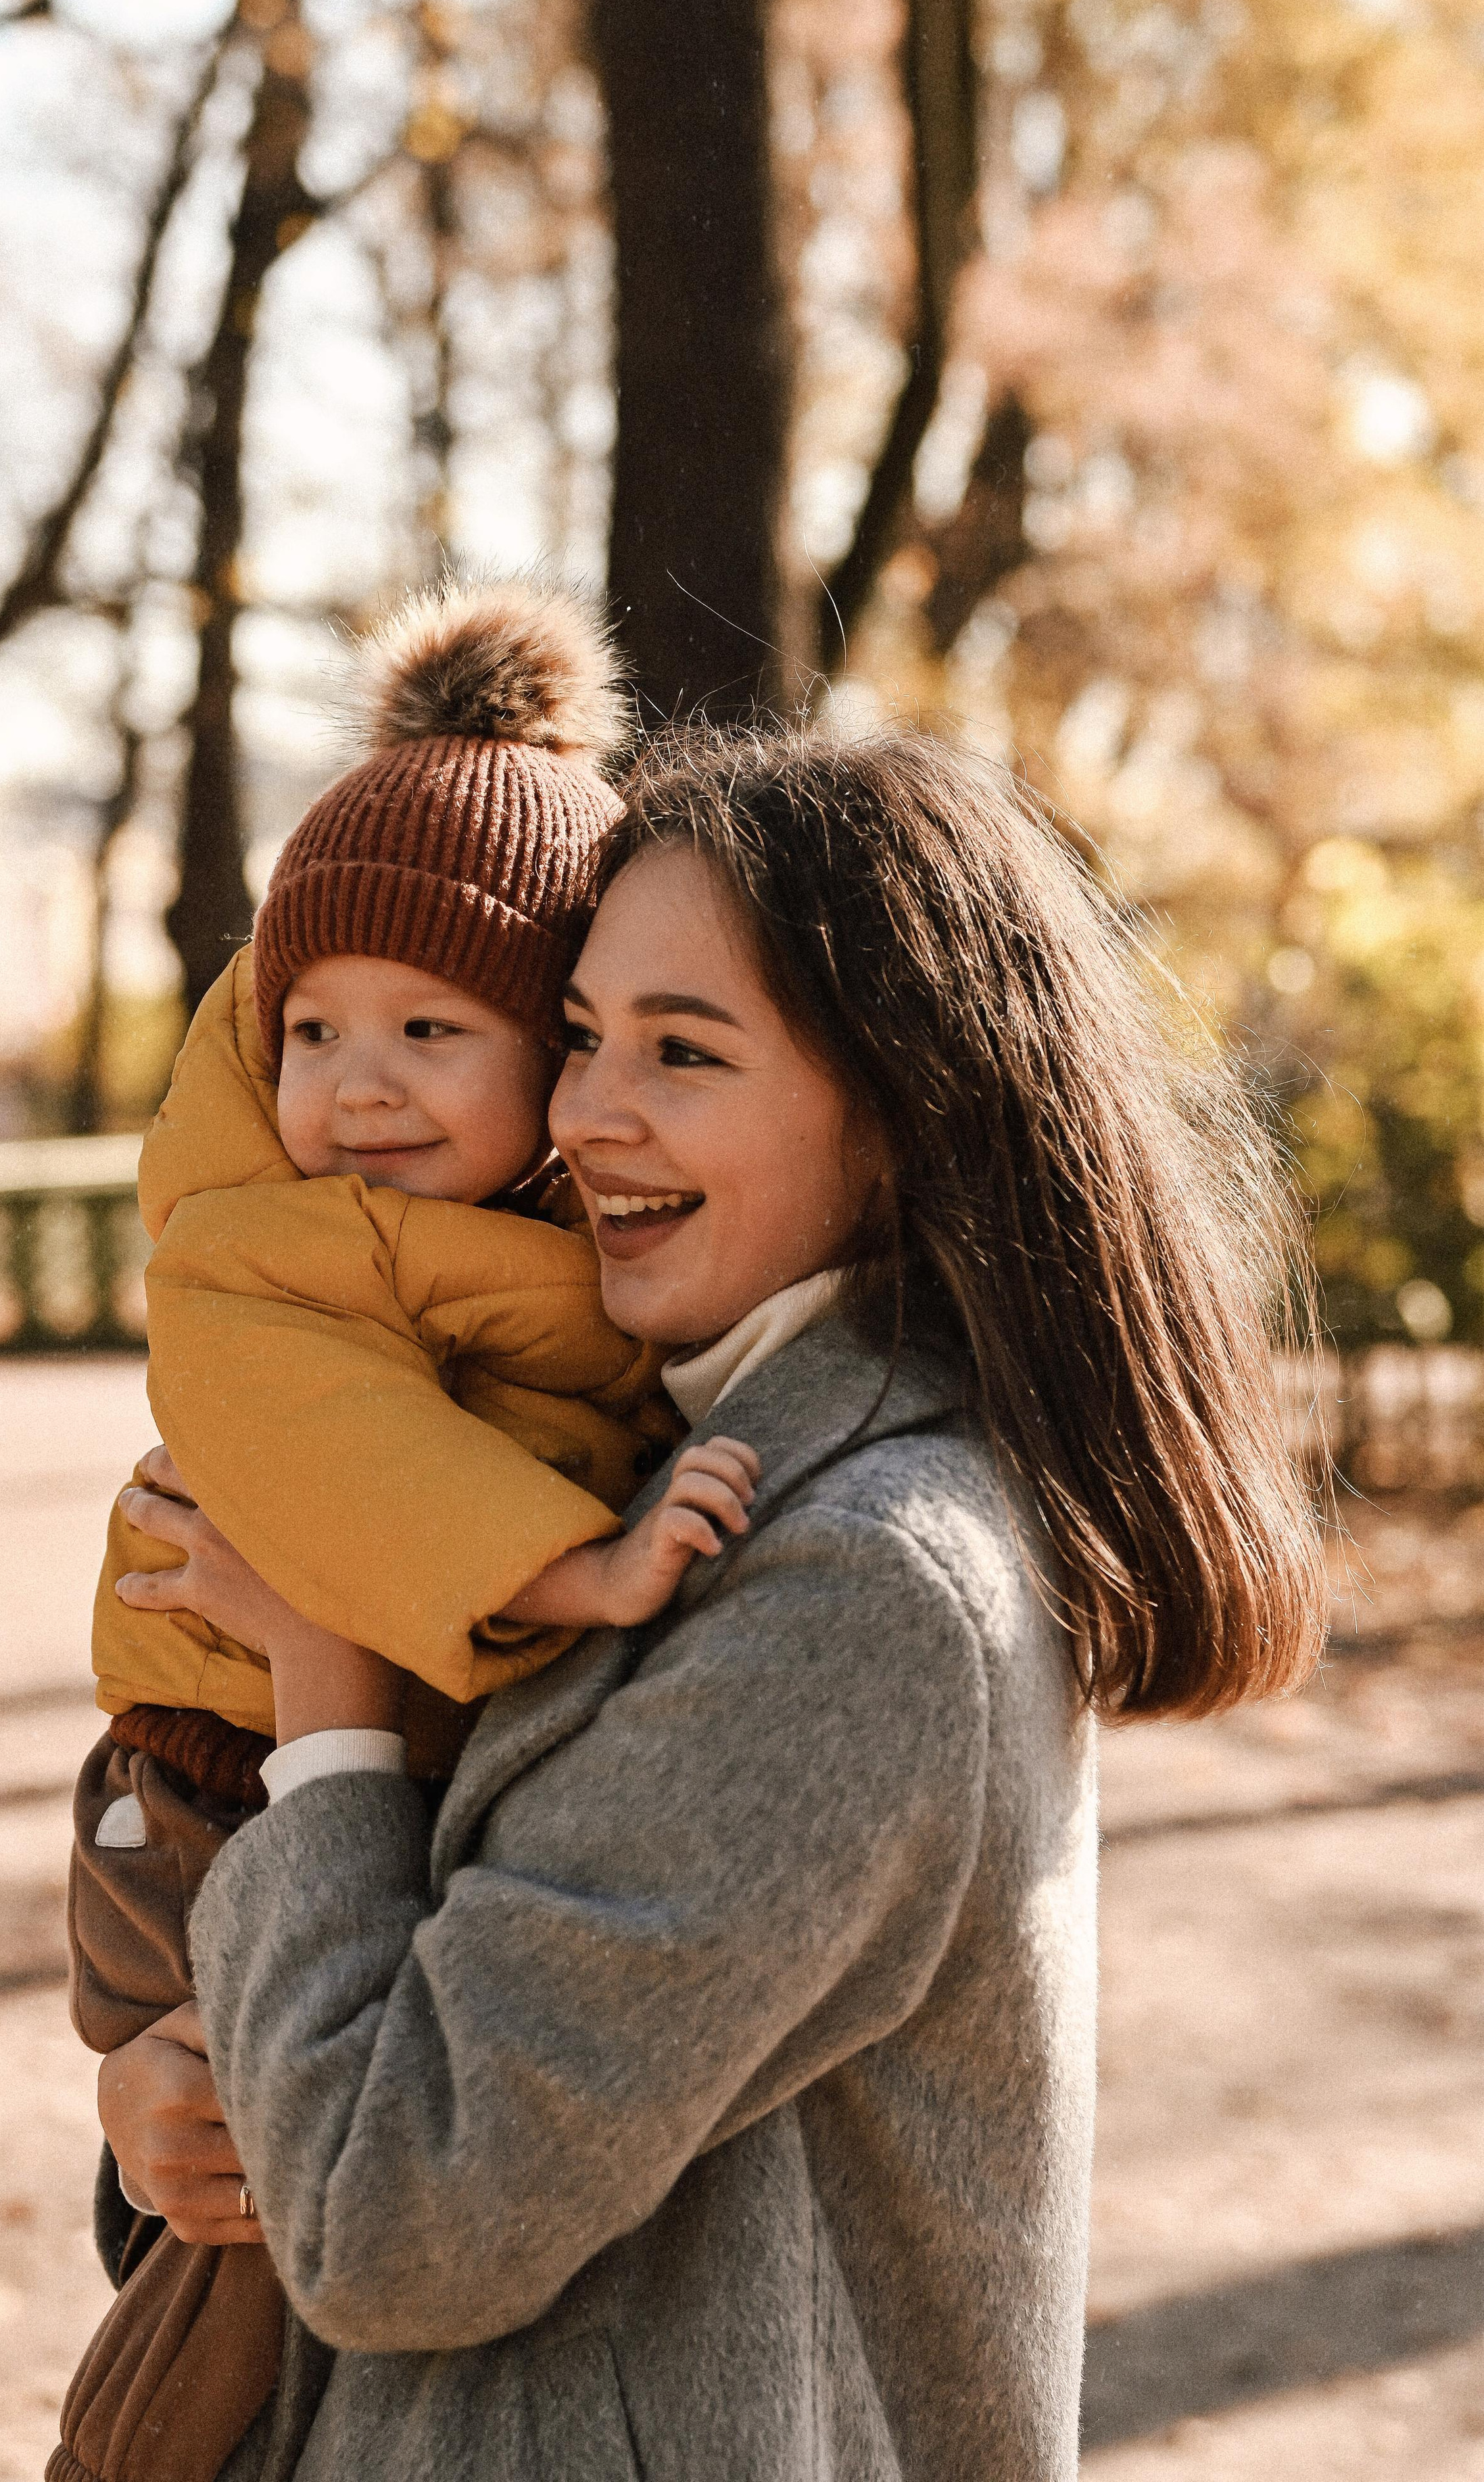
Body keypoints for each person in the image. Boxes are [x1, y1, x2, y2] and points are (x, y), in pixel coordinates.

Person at [97, 721, 1327, 2482]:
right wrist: (189, 2112)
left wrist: (325, 1674)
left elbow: (399, 2216)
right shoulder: (640, 1467)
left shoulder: (863, 1579)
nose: (588, 1113)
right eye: (583, 1036)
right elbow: (404, 2054)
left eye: (685, 1051)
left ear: (905, 1113)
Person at [57, 586, 753, 2482]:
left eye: (433, 1028)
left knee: (268, 2221)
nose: (355, 1086)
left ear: (556, 1051)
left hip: (302, 1783)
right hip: (210, 1795)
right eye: (310, 1030)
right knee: (234, 2255)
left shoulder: (540, 1238)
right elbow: (344, 1452)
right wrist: (570, 1568)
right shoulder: (277, 1242)